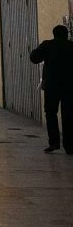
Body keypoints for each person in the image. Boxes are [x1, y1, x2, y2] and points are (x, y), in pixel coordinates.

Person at [30, 25, 73, 154]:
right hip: (70, 87)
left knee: (50, 113)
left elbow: (34, 58)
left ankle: (54, 142)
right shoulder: (71, 46)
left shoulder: (48, 45)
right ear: (66, 34)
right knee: (69, 115)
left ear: (54, 34)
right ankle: (70, 146)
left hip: (52, 86)